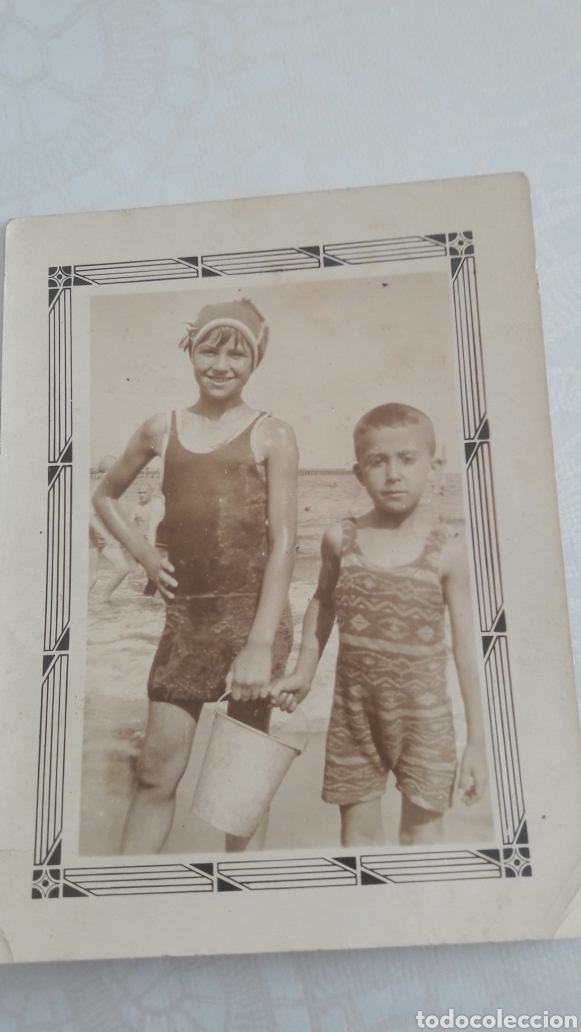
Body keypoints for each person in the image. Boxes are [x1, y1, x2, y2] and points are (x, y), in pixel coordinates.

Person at [93, 299, 298, 854]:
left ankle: (241, 895)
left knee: (241, 787)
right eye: (210, 349)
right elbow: (105, 494)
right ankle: (125, 894)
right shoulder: (162, 428)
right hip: (187, 624)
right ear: (191, 352)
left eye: (237, 354)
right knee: (155, 774)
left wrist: (259, 646)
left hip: (254, 622)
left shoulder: (272, 433)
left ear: (254, 362)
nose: (221, 365)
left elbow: (285, 543)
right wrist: (143, 553)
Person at [271, 403, 487, 847]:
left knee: (422, 838)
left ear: (435, 467)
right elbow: (323, 603)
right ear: (358, 472)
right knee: (359, 840)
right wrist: (304, 671)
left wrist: (479, 742)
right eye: (377, 461)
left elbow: (469, 649)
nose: (393, 474)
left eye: (407, 459)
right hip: (355, 717)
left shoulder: (448, 551)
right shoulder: (340, 539)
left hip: (425, 721)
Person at [89, 455, 130, 602]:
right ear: (105, 473)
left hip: (104, 536)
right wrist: (106, 536)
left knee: (123, 568)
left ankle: (103, 600)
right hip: (89, 536)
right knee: (92, 578)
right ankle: (80, 607)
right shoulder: (95, 488)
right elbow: (89, 516)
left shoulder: (111, 490)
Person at [129, 481, 165, 595]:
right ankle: (148, 595)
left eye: (144, 492)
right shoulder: (136, 508)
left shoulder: (157, 504)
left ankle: (148, 595)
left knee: (154, 570)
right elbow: (127, 527)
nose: (142, 495)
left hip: (156, 540)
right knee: (148, 570)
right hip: (142, 542)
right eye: (140, 493)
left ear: (151, 493)